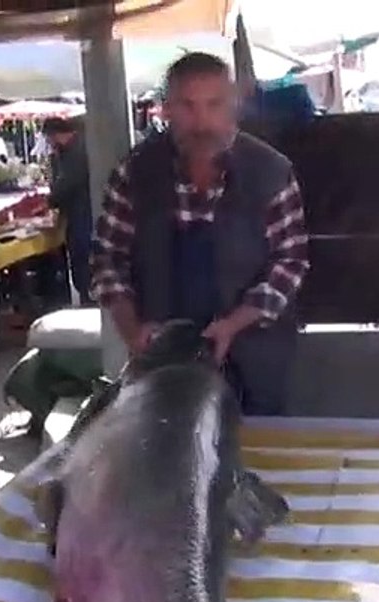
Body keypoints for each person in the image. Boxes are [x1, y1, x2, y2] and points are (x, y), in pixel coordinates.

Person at [90, 52, 310, 416]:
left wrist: (234, 323)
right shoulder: (134, 173)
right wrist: (132, 330)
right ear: (166, 109)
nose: (202, 120)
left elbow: (291, 262)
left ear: (234, 105)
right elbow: (107, 260)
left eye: (214, 104)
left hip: (255, 352)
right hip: (163, 357)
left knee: (253, 452)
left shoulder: (271, 172)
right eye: (188, 106)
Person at [41, 116, 94, 305]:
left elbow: (69, 182)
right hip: (77, 211)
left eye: (49, 138)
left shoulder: (77, 151)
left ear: (56, 135)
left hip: (83, 211)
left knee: (82, 253)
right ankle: (87, 294)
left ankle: (89, 296)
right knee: (80, 254)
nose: (49, 143)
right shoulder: (66, 151)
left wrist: (50, 201)